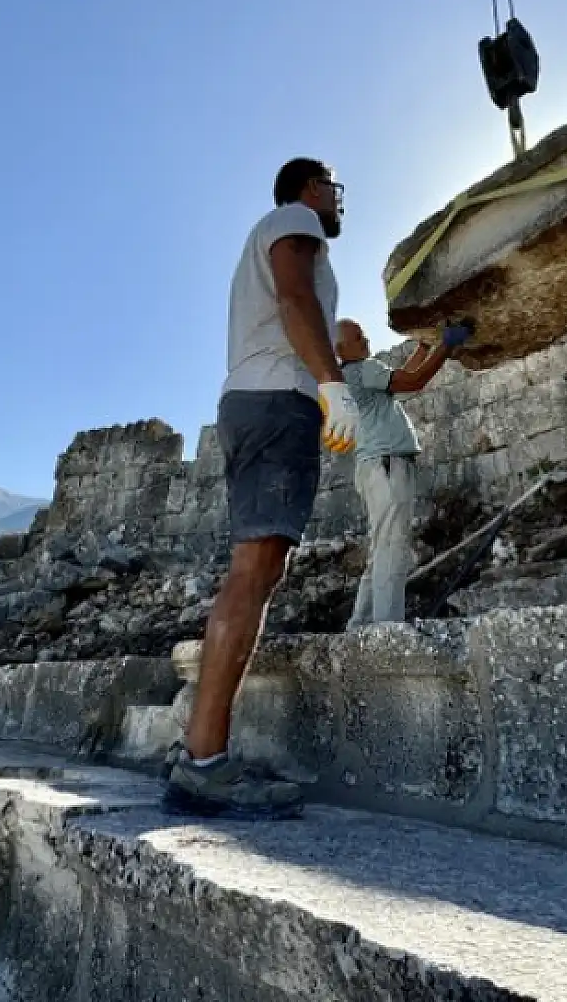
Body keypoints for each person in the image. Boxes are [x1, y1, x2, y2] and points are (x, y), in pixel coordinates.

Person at [164, 157, 359, 820]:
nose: (339, 201)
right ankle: (204, 766)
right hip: (279, 402)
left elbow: (309, 318)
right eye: (336, 187)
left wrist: (340, 360)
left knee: (258, 569)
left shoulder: (282, 230)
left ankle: (201, 751)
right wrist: (331, 385)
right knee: (254, 571)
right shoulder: (297, 220)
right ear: (312, 187)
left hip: (258, 400)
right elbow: (294, 299)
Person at [335, 317, 472, 628]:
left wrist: (424, 347)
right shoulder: (365, 368)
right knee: (393, 548)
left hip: (373, 469)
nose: (366, 340)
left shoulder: (353, 377)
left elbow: (402, 379)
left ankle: (361, 626)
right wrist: (447, 345)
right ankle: (387, 628)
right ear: (341, 348)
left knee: (381, 549)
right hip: (387, 465)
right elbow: (415, 382)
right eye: (358, 337)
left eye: (364, 334)